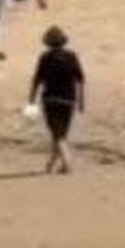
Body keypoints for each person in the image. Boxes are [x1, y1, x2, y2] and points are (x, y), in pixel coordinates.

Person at [29, 25, 85, 175]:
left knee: (57, 133)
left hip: (51, 99)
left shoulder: (45, 57)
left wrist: (31, 100)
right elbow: (80, 79)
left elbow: (37, 80)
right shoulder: (72, 56)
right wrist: (81, 101)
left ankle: (67, 163)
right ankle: (51, 163)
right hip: (69, 99)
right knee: (60, 133)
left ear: (47, 42)